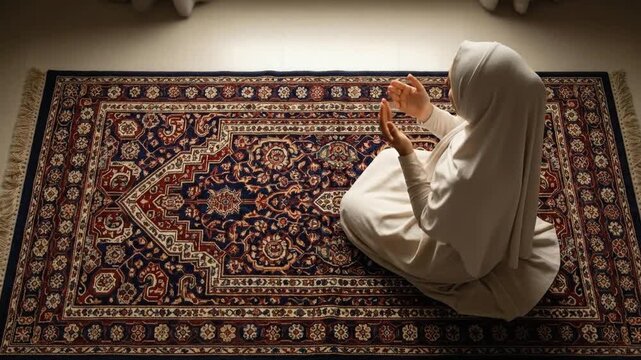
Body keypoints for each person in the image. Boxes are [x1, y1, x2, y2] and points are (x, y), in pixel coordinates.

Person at [339, 41, 561, 320]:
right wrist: (426, 112)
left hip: (445, 253)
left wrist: (406, 152)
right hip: (475, 224)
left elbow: (428, 218)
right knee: (385, 163)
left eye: (456, 86)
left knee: (352, 205)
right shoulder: (510, 131)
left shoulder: (465, 177)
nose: (449, 89)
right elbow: (462, 130)